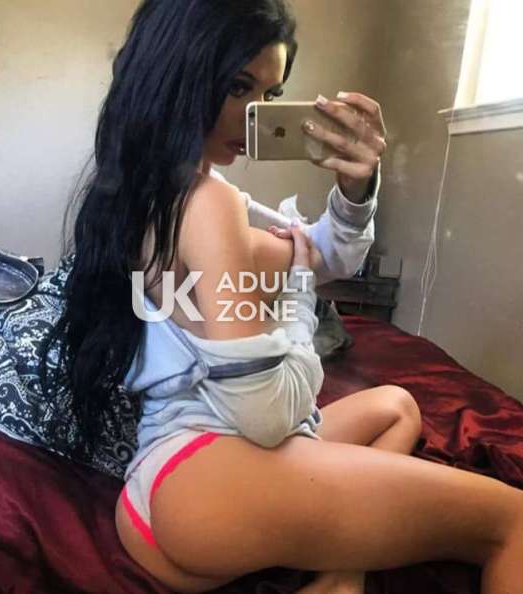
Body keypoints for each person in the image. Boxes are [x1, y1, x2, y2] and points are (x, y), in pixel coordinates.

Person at [42, 1, 523, 593]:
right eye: (238, 87)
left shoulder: (158, 192)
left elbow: (320, 252)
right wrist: (297, 299)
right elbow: (268, 414)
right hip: (206, 479)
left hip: (176, 484)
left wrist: (356, 189)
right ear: (179, 74)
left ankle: (342, 573)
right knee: (514, 520)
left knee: (397, 406)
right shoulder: (208, 204)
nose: (254, 116)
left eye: (270, 96)